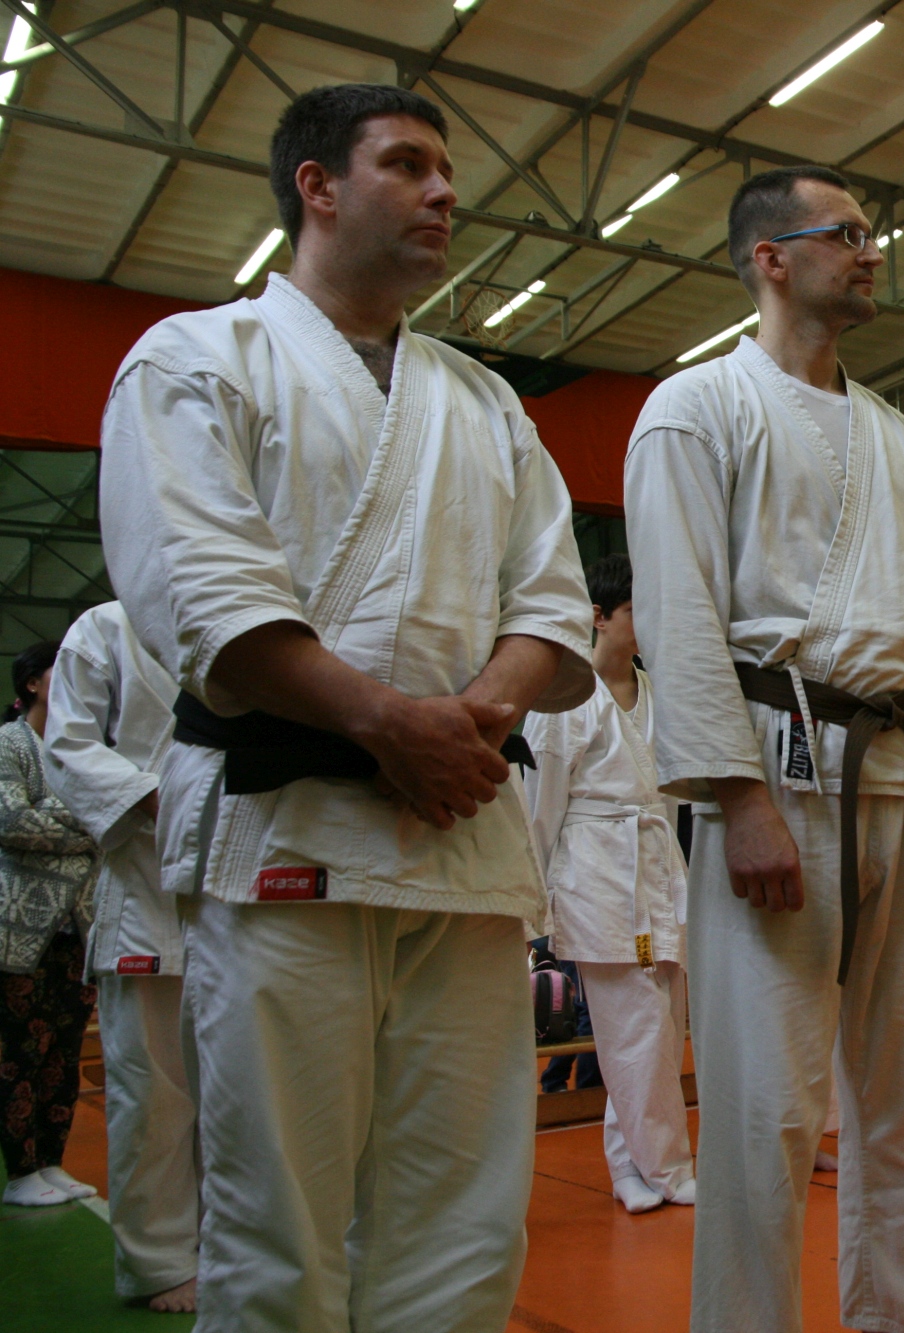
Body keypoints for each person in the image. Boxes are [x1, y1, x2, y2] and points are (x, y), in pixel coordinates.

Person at [99, 84, 595, 1333]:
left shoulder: (484, 400)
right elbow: (204, 594)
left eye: (446, 171)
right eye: (408, 165)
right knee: (279, 1221)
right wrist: (385, 721)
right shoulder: (195, 358)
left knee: (464, 1218)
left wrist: (470, 721)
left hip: (462, 833)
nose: (444, 193)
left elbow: (550, 600)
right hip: (287, 829)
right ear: (316, 187)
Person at [624, 164, 904, 1333]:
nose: (870, 252)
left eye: (869, 233)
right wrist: (735, 796)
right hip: (777, 778)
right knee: (765, 1112)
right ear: (769, 257)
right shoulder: (694, 408)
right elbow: (679, 616)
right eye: (846, 233)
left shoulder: (898, 439)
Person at [518, 554, 696, 1214]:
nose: (647, 621)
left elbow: (671, 801)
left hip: (656, 868)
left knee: (662, 1025)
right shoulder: (562, 696)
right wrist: (532, 907)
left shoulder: (654, 690)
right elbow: (538, 806)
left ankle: (630, 1166)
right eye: (633, 610)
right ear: (598, 616)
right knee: (636, 1026)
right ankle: (668, 1169)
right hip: (599, 874)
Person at [41, 604, 201, 1311]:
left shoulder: (251, 617)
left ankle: (230, 1243)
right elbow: (67, 745)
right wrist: (152, 795)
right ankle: (158, 1259)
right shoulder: (105, 628)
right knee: (152, 1093)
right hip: (145, 883)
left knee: (246, 1092)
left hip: (245, 883)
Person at [0, 641, 101, 1209]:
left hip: (76, 928)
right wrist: (84, 823)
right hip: (18, 928)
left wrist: (64, 818)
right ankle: (20, 1173)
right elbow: (11, 820)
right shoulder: (9, 743)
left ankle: (51, 1163)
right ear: (32, 684)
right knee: (19, 1051)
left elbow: (111, 817)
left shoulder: (82, 749)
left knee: (64, 1052)